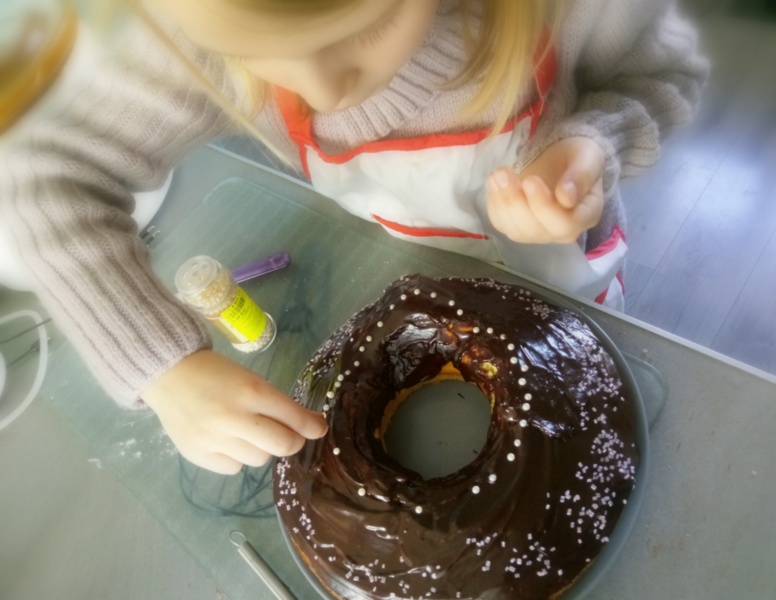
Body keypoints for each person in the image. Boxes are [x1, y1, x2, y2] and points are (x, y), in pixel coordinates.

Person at [0, 0, 708, 474]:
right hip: (414, 263)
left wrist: (590, 145)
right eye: (250, 50)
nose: (323, 85)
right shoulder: (203, 21)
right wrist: (162, 369)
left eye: (363, 27)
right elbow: (45, 179)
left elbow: (666, 75)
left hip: (563, 269)